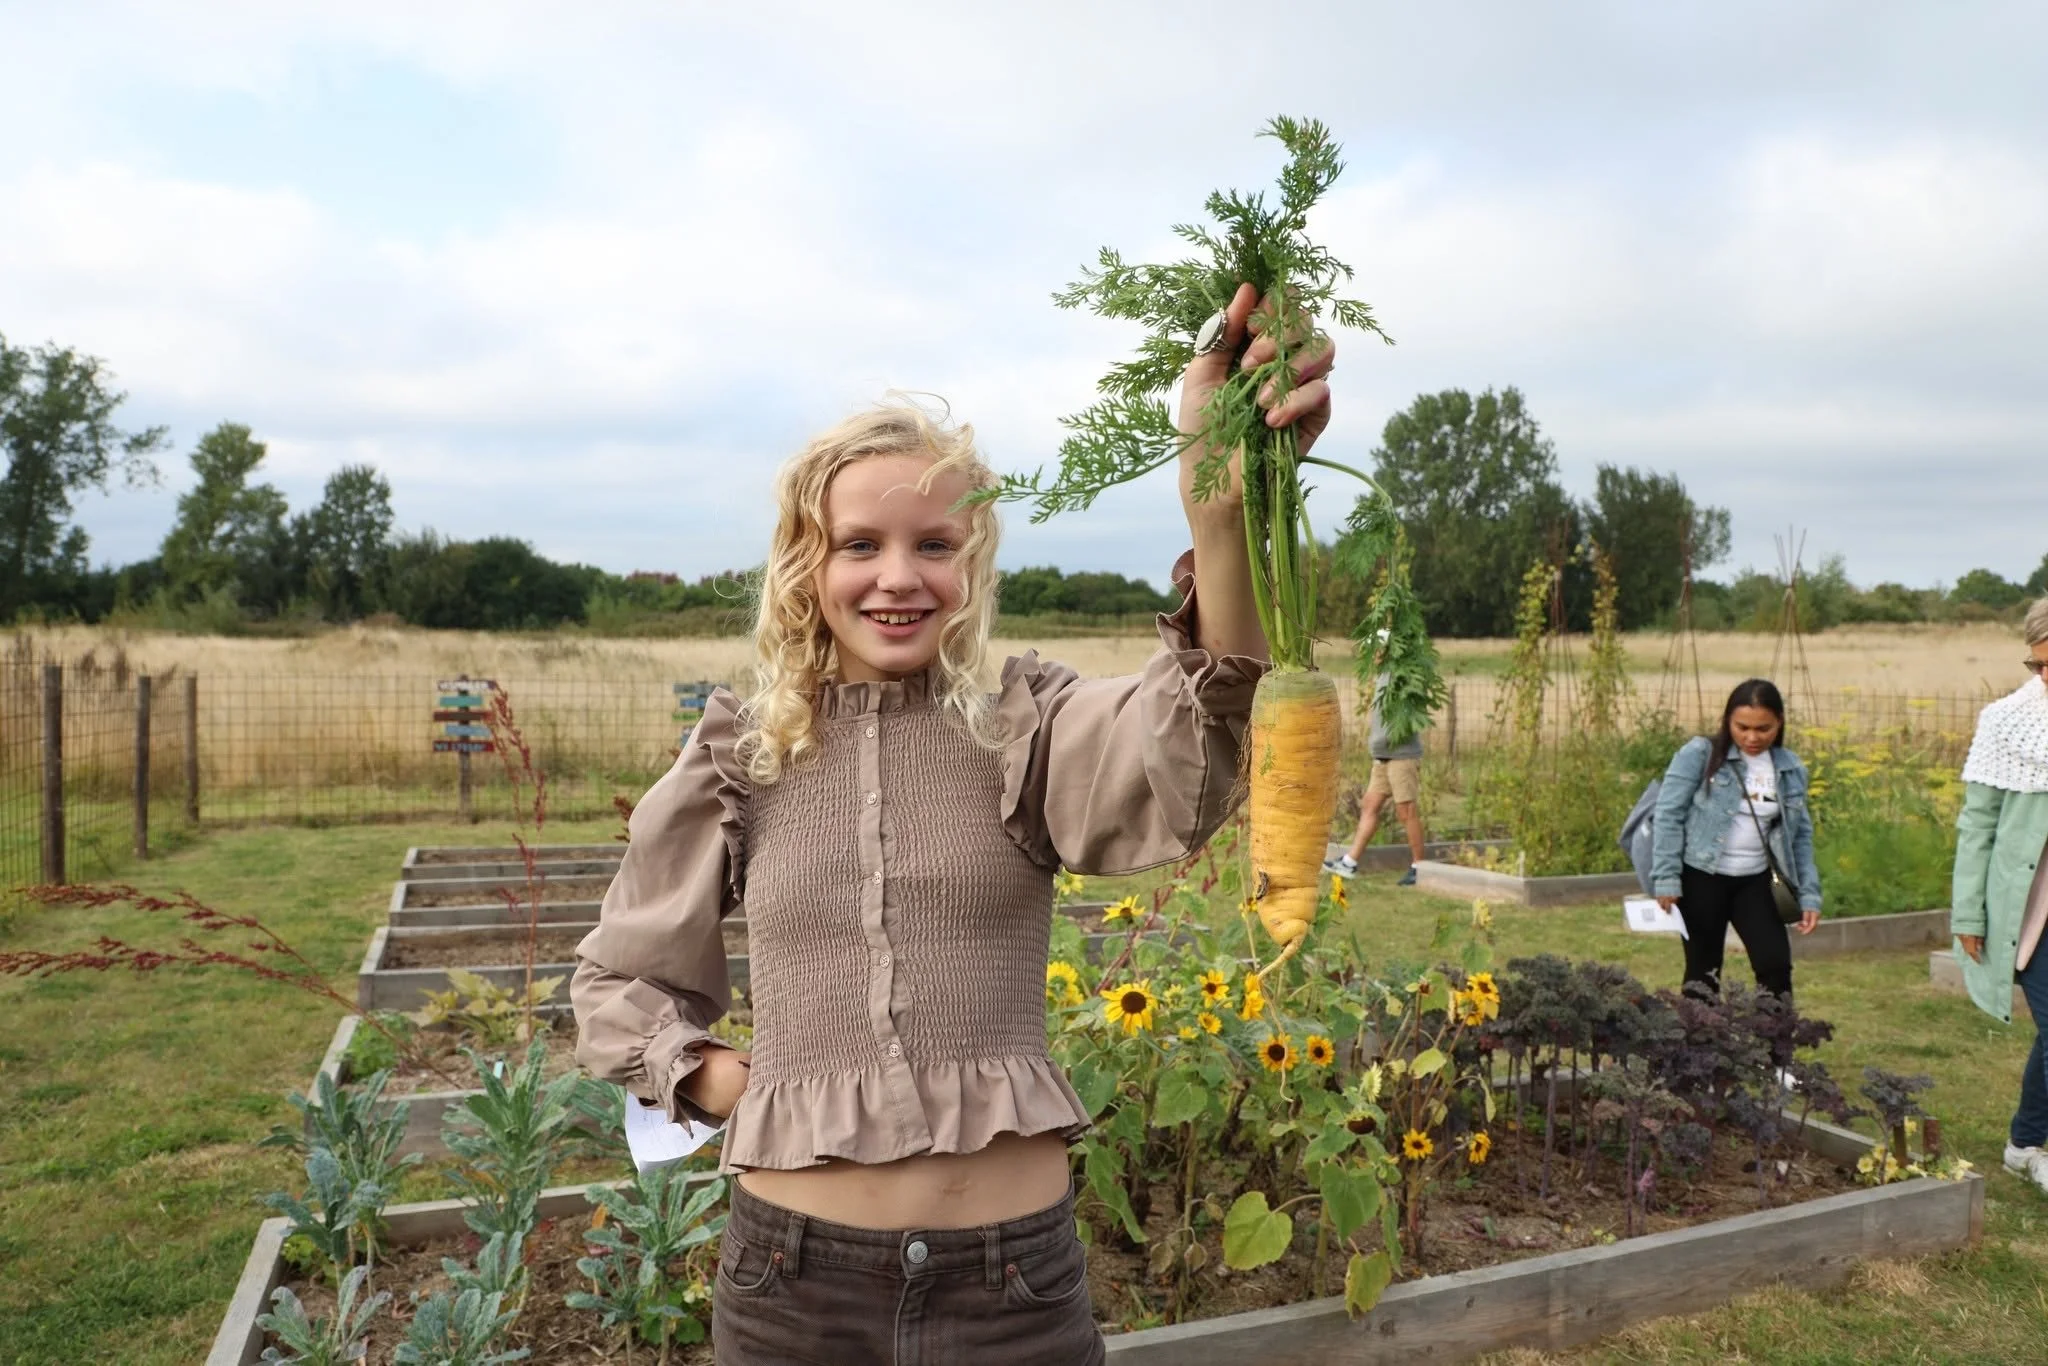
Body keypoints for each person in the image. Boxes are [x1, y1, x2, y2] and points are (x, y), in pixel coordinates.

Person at [571, 283, 1331, 1364]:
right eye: (858, 544)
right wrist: (713, 1075)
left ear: (970, 565)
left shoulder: (1027, 724)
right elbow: (616, 982)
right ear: (807, 565)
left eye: (934, 543)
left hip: (1009, 1290)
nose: (897, 576)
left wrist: (1218, 507)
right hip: (792, 1289)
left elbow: (1189, 727)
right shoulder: (742, 754)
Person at [1951, 596, 2048, 1192]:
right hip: (2033, 908)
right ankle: (2027, 1143)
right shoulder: (2008, 721)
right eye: (2041, 663)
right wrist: (1968, 911)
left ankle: (2024, 1140)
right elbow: (1978, 824)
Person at [1650, 678, 1823, 1000]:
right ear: (1727, 720)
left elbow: (1800, 836)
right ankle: (1698, 1047)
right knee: (1704, 973)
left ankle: (1775, 1048)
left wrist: (1809, 894)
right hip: (1701, 877)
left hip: (1756, 881)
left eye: (1763, 728)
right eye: (1742, 727)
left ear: (1779, 723)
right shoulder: (1700, 754)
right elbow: (1668, 814)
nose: (1752, 737)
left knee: (1775, 967)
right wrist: (1666, 877)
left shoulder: (1790, 768)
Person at [1322, 666, 1426, 885]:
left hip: (1402, 755)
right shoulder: (1383, 672)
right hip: (1382, 757)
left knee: (1406, 810)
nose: (1374, 653)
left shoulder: (1405, 673)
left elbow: (1414, 708)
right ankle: (1350, 863)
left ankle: (1420, 867)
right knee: (1370, 805)